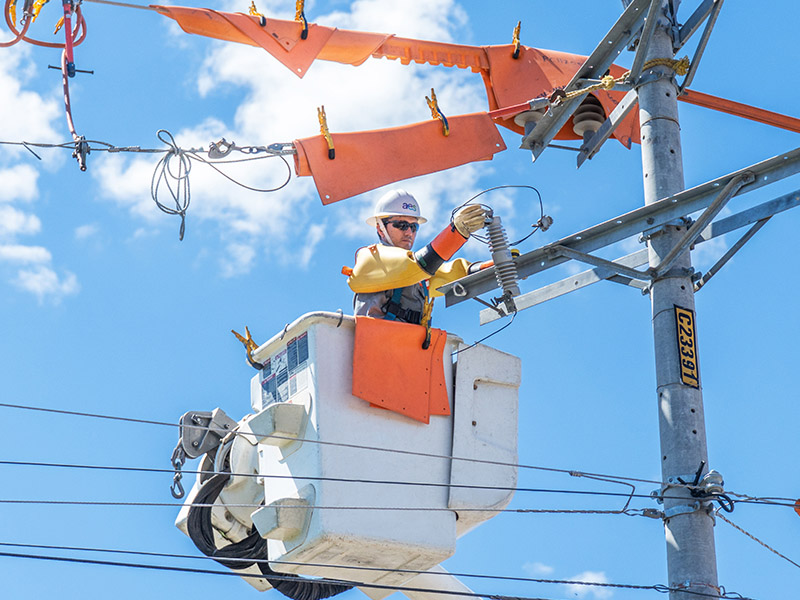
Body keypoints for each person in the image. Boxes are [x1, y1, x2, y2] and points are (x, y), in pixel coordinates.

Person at [345, 189, 486, 324]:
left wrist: (497, 264)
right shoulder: (371, 258)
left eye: (414, 227)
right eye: (401, 225)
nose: (409, 232)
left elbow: (451, 273)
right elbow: (416, 264)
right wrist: (455, 233)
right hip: (376, 344)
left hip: (408, 345)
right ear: (380, 229)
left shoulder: (417, 274)